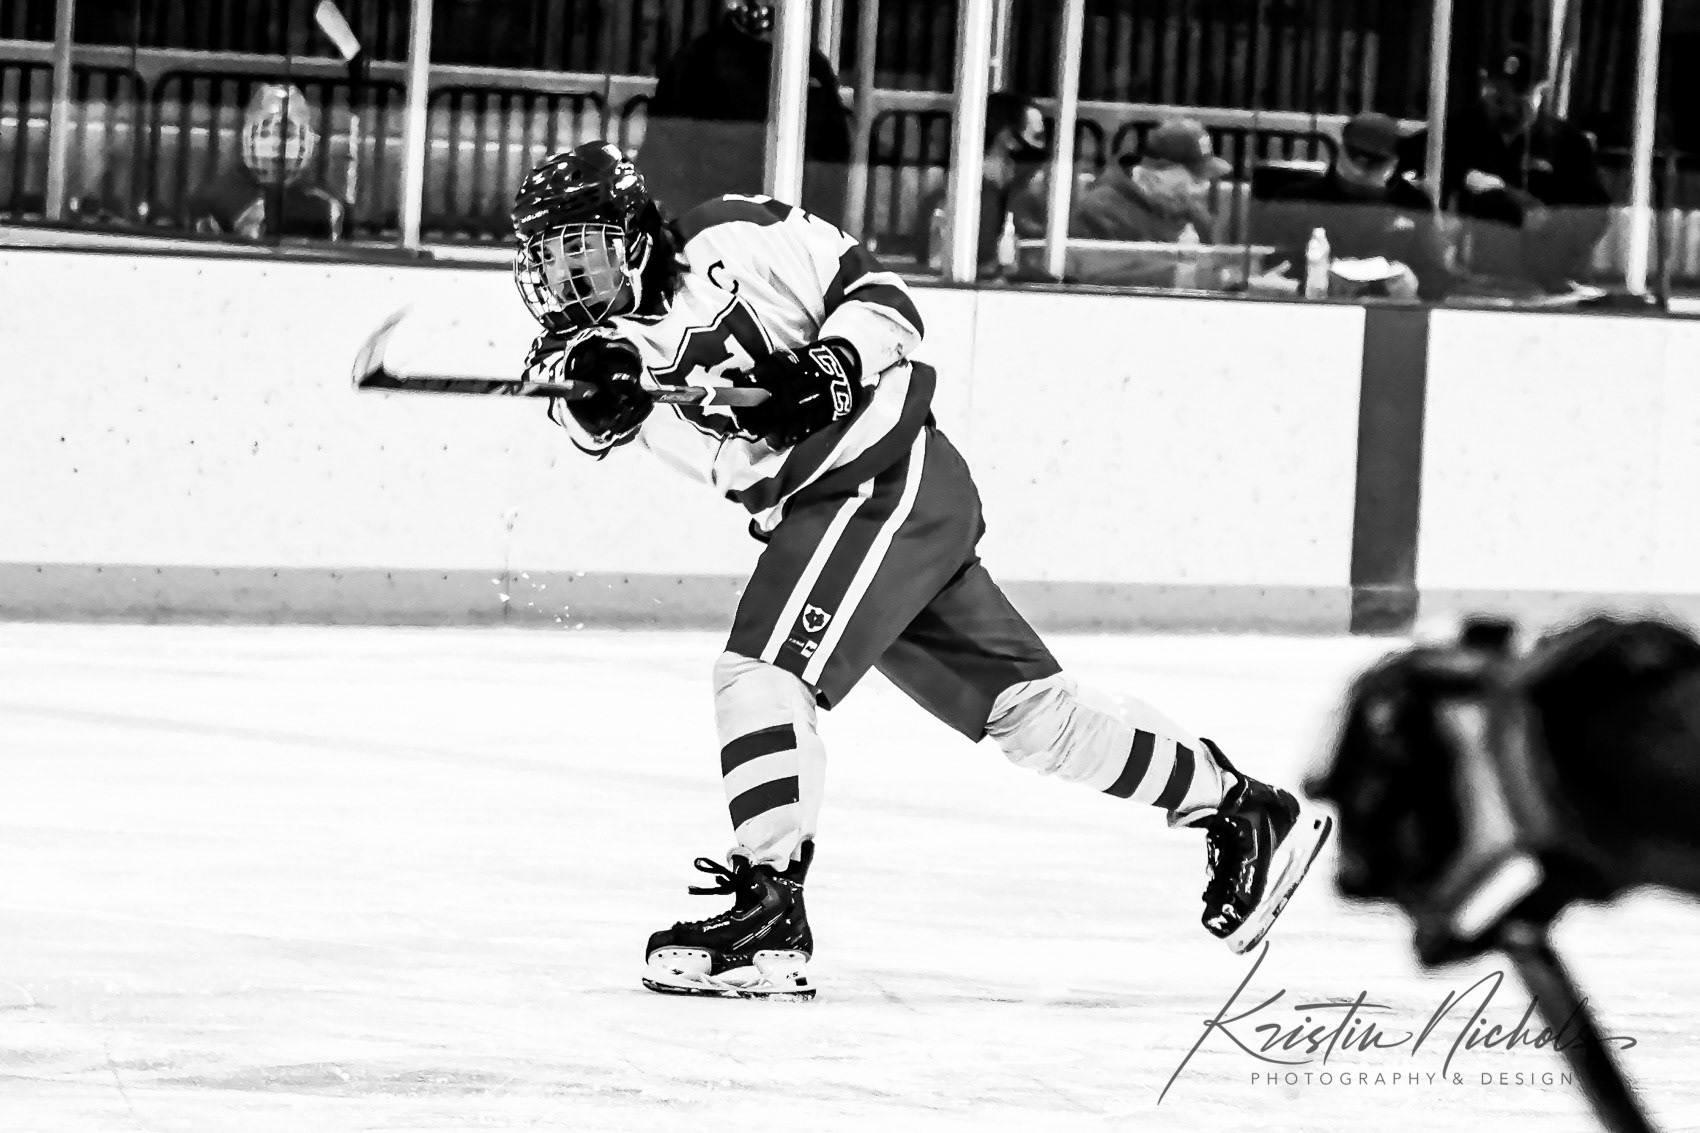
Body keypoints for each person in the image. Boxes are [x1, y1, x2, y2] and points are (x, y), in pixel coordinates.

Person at [508, 140, 1333, 1000]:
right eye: (549, 261)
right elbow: (579, 405)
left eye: (581, 250)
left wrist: (831, 365)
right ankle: (1242, 807)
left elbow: (884, 300)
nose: (567, 280)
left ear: (636, 230)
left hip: (880, 478)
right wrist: (599, 390)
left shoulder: (739, 232)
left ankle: (768, 908)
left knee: (762, 672)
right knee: (1034, 718)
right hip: (844, 516)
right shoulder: (583, 351)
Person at [640, 0, 853, 225]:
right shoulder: (696, 63)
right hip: (715, 227)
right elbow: (661, 164)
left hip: (793, 226)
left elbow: (834, 166)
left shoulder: (810, 67)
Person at [1433, 47, 1611, 291]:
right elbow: (1418, 172)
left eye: (1519, 94)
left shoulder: (1567, 142)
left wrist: (1548, 226)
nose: (1507, 105)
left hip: (1545, 278)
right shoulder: (1458, 132)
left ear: (1541, 91)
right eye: (1498, 94)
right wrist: (1466, 177)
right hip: (1471, 278)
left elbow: (1594, 213)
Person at [1254, 112, 1451, 301]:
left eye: (1376, 161)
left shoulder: (1414, 204)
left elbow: (1437, 276)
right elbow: (1273, 267)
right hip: (1315, 307)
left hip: (1389, 311)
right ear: (1341, 149)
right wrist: (1310, 281)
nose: (1362, 168)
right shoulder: (1299, 199)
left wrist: (1416, 285)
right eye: (1355, 155)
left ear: (1394, 161)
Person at [1066, 118, 1230, 288]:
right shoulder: (1099, 210)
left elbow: (1219, 269)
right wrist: (1181, 275)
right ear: (1157, 173)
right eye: (1194, 178)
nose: (1201, 187)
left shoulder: (1196, 216)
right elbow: (1092, 281)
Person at [184, 83, 347, 241]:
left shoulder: (326, 206)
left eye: (287, 134)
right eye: (264, 132)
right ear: (247, 136)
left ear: (308, 140)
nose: (276, 143)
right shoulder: (213, 199)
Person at [918, 91, 1049, 278]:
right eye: (1037, 137)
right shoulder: (966, 204)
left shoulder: (1000, 200)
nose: (1043, 149)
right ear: (1009, 139)